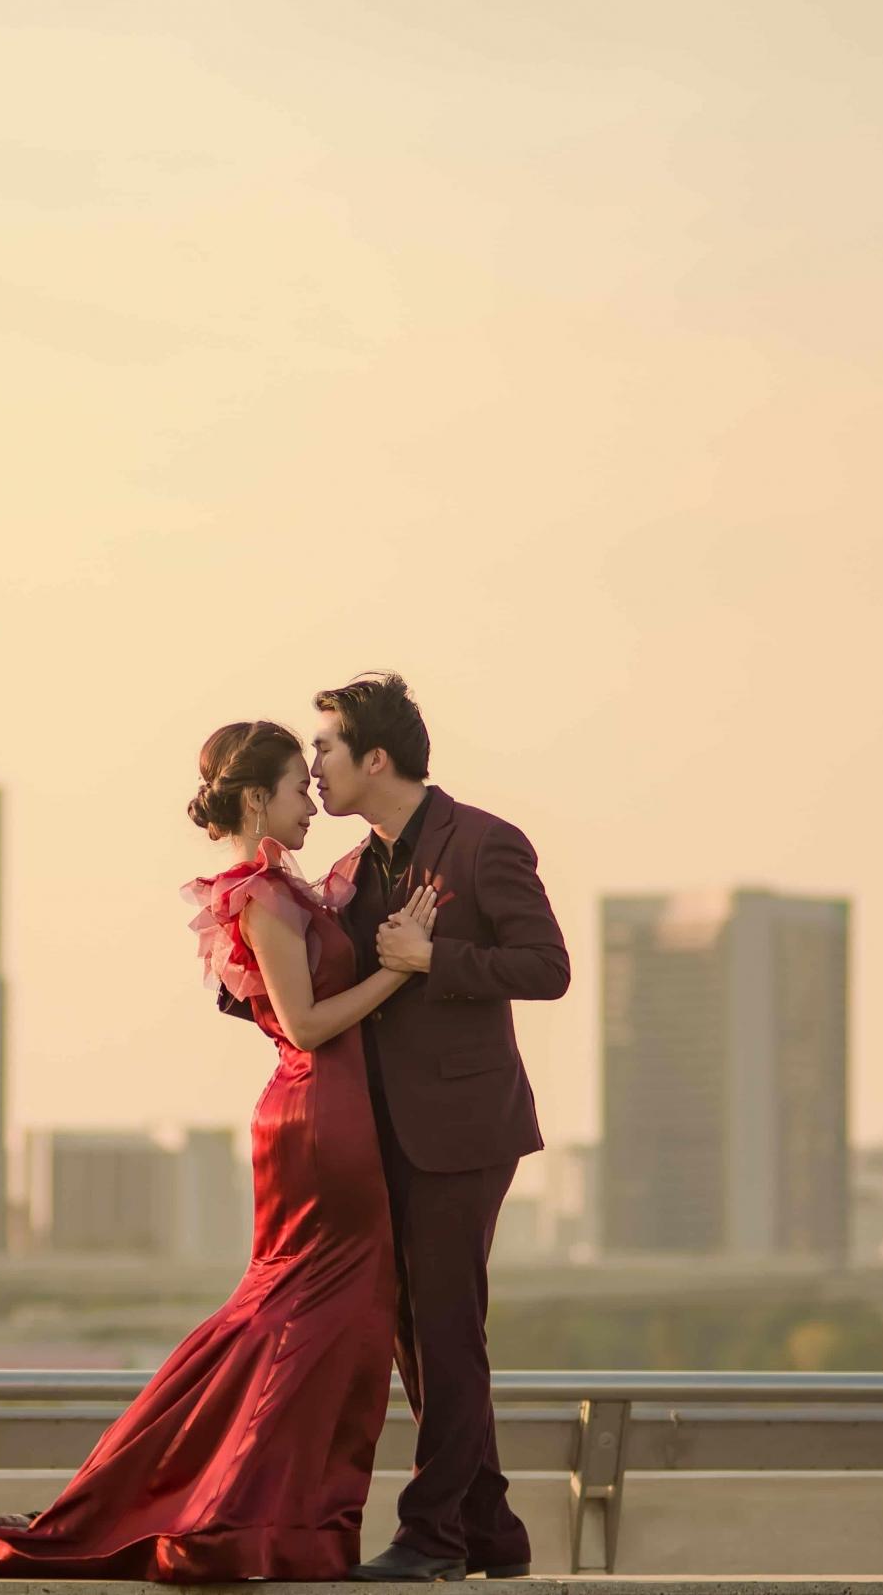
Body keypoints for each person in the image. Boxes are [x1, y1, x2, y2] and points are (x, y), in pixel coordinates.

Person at [0, 718, 439, 1581]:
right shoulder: (260, 894)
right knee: (323, 1319)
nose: (309, 806)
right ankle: (243, 1516)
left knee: (312, 1318)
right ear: (256, 797)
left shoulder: (275, 890)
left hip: (322, 1115)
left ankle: (269, 1517)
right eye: (298, 790)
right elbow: (307, 1023)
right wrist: (406, 967)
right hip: (322, 1117)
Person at [306, 672, 570, 1582]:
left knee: (447, 1327)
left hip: (465, 1130)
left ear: (375, 757)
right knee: (417, 1332)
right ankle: (490, 1529)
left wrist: (435, 957)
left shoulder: (487, 843)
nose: (314, 767)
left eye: (326, 748)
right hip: (380, 1135)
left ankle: (432, 1535)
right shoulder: (351, 868)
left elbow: (547, 966)